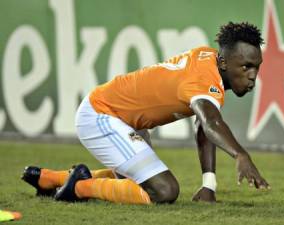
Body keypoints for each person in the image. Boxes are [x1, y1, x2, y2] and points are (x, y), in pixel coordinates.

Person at [21, 21, 270, 204]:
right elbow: (212, 123)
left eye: (256, 68)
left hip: (123, 119)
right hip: (102, 114)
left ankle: (50, 178)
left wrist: (208, 185)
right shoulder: (205, 80)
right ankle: (79, 187)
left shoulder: (209, 59)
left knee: (135, 181)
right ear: (225, 62)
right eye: (246, 66)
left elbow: (205, 125)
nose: (252, 76)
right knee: (164, 191)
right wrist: (240, 155)